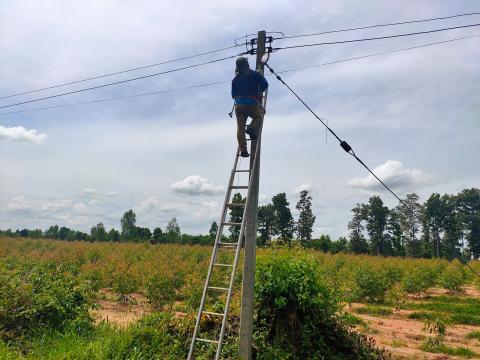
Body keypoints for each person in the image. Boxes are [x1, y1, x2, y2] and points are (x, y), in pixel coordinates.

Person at [231, 57, 268, 157]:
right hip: (250, 103)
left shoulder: (235, 79)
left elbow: (233, 95)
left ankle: (243, 150)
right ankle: (251, 128)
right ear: (247, 64)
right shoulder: (254, 74)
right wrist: (259, 89)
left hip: (238, 105)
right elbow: (265, 84)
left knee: (240, 128)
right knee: (258, 116)